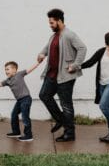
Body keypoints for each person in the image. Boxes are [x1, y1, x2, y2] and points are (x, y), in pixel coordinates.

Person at [37, 8, 87, 142]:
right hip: (52, 74)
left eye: (52, 23)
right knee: (44, 95)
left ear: (59, 21)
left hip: (65, 76)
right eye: (49, 23)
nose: (50, 25)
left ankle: (69, 133)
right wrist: (42, 54)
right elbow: (47, 47)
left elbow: (82, 48)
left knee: (66, 105)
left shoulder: (69, 34)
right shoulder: (54, 36)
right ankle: (60, 119)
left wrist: (75, 65)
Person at [0, 61, 39, 142]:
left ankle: (28, 135)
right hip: (19, 100)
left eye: (8, 69)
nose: (6, 71)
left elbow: (30, 69)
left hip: (26, 99)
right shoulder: (8, 80)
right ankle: (16, 132)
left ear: (14, 70)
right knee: (14, 114)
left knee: (25, 117)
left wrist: (38, 62)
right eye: (5, 70)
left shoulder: (19, 74)